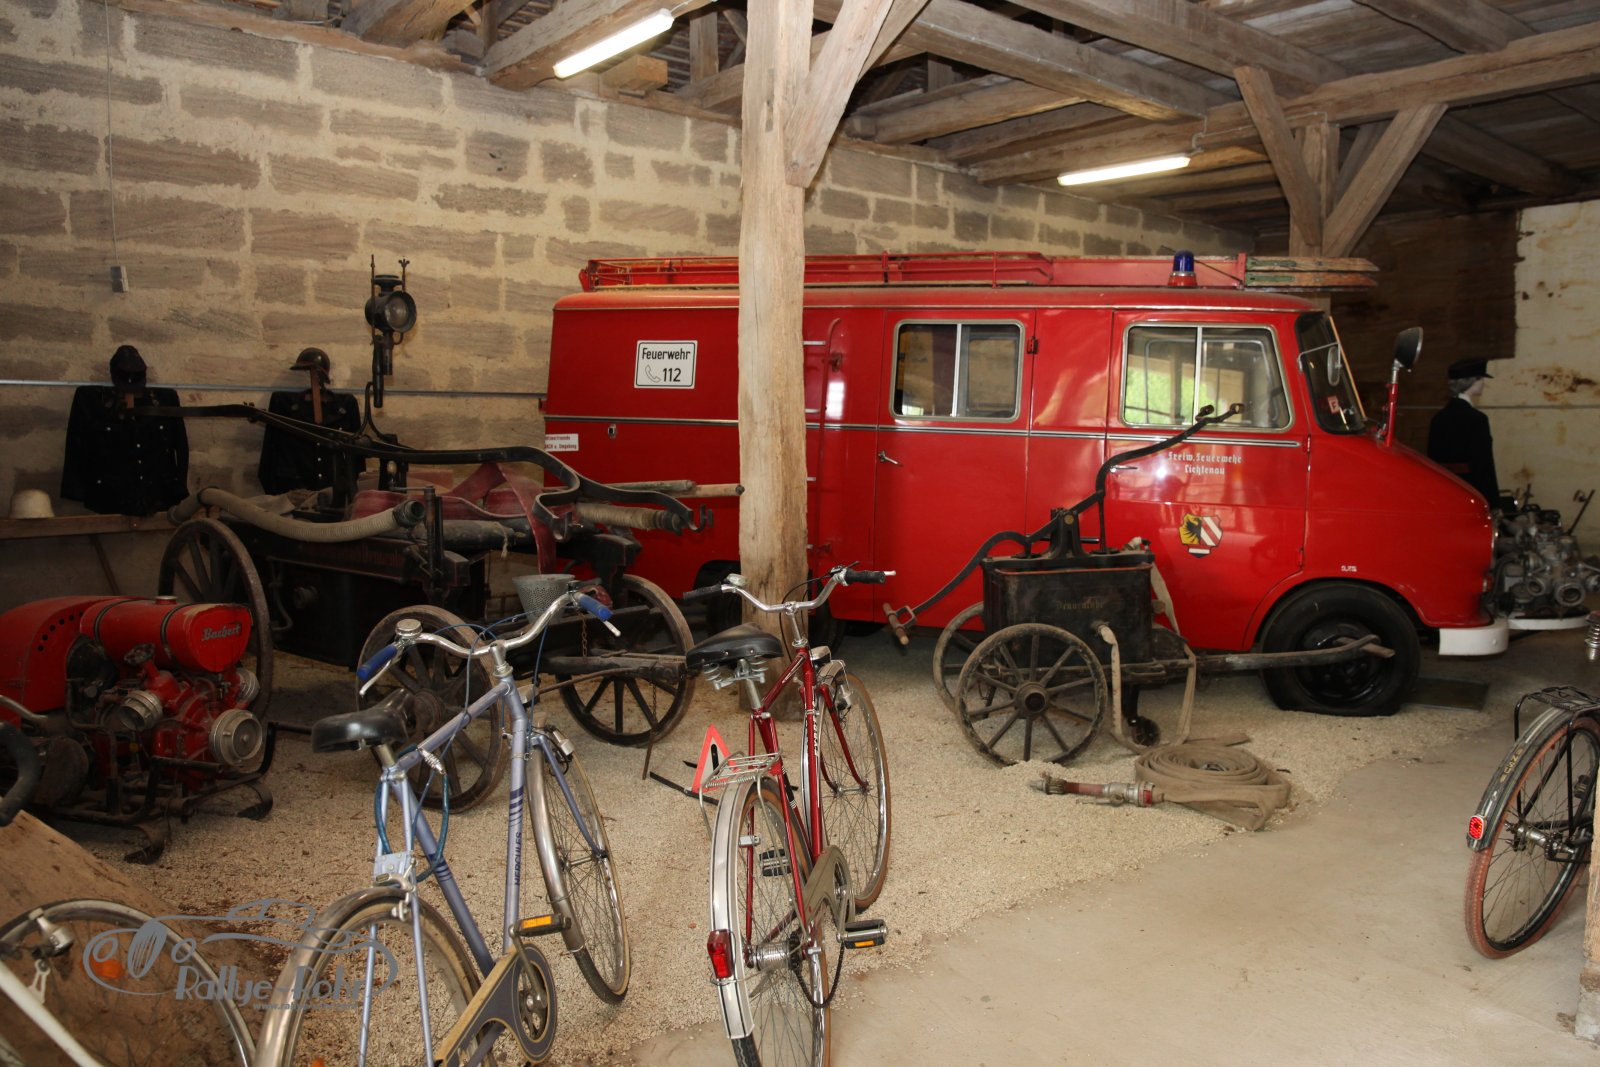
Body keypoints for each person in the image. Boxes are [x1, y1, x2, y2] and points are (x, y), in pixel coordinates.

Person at [60, 345, 189, 515]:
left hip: (158, 491)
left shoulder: (166, 399)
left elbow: (180, 443)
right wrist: (75, 490)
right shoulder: (90, 400)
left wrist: (179, 486)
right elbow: (75, 445)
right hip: (108, 494)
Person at [1426, 358, 1500, 506]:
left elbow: (1432, 457)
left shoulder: (1438, 418)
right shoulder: (1477, 419)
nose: (1483, 384)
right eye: (1481, 379)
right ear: (1472, 382)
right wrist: (1493, 502)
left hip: (1444, 487)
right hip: (1470, 488)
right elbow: (1483, 463)